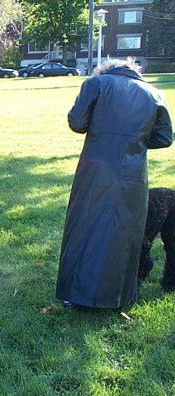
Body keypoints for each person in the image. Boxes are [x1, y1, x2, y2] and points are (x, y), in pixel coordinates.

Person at [56, 58, 173, 309]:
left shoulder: (96, 83)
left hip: (96, 167)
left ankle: (79, 295)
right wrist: (134, 141)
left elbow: (77, 122)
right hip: (133, 173)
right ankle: (119, 295)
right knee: (126, 232)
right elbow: (164, 137)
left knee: (86, 227)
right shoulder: (155, 93)